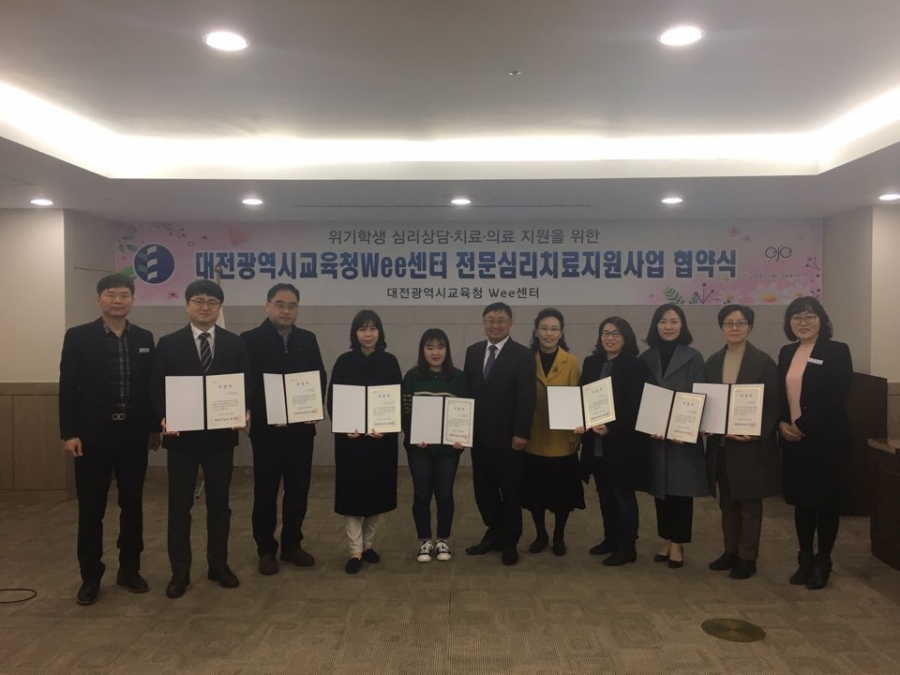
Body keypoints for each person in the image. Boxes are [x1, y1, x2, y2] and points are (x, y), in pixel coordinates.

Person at [58, 274, 160, 605]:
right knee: (92, 509)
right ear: (98, 299)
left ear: (133, 300)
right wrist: (69, 433)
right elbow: (68, 388)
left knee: (132, 506)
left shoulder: (144, 338)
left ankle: (129, 569)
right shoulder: (78, 337)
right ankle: (90, 577)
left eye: (124, 295)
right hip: (92, 437)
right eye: (111, 294)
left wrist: (153, 428)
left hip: (132, 435)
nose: (118, 300)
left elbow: (149, 389)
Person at [151, 279, 251, 599]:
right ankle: (179, 572)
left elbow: (245, 383)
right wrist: (162, 417)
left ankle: (218, 565)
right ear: (187, 306)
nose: (205, 307)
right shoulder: (168, 343)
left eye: (212, 302)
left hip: (221, 438)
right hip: (182, 439)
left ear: (220, 307)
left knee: (219, 506)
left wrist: (244, 411)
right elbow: (156, 386)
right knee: (179, 508)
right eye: (198, 301)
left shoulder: (235, 343)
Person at [241, 283, 327, 576]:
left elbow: (318, 377)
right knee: (265, 492)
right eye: (280, 304)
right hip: (267, 432)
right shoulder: (250, 340)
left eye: (292, 305)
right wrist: (266, 414)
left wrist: (314, 409)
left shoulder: (307, 339)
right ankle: (266, 549)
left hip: (301, 432)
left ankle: (292, 544)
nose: (286, 310)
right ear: (267, 305)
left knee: (298, 490)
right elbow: (247, 384)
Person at [777, 296, 852, 590]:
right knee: (802, 502)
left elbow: (836, 395)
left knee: (826, 503)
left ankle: (823, 562)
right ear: (790, 323)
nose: (803, 322)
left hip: (826, 440)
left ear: (822, 320)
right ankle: (805, 559)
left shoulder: (837, 351)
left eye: (810, 316)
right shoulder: (787, 352)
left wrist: (802, 425)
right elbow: (782, 394)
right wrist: (782, 423)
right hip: (794, 441)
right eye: (797, 317)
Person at [704, 305, 780, 580]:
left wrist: (756, 432)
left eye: (740, 323)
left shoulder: (763, 362)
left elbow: (773, 404)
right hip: (721, 446)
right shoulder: (713, 361)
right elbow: (707, 401)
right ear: (721, 327)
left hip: (749, 445)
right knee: (727, 503)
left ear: (750, 327)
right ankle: (730, 550)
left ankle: (748, 557)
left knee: (749, 504)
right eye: (729, 323)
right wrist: (703, 423)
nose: (734, 328)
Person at [327, 310, 402, 574]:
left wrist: (388, 427)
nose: (368, 334)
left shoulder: (390, 362)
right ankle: (355, 551)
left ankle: (369, 545)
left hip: (381, 442)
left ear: (380, 332)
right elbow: (333, 399)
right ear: (354, 333)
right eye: (362, 329)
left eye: (372, 328)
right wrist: (344, 426)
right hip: (351, 442)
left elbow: (397, 400)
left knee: (376, 495)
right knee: (352, 497)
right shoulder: (344, 362)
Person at [463, 302, 536, 566]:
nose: (495, 325)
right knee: (484, 492)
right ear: (484, 322)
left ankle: (510, 541)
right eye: (490, 320)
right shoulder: (473, 352)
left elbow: (527, 397)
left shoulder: (523, 355)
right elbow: (467, 393)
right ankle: (494, 533)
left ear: (511, 323)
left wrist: (521, 433)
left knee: (510, 492)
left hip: (509, 439)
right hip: (479, 437)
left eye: (501, 320)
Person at [578, 317, 652, 566]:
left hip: (623, 443)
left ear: (626, 337)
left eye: (615, 333)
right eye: (605, 333)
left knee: (623, 495)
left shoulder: (636, 366)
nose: (609, 338)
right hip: (596, 443)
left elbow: (636, 405)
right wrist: (580, 419)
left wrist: (611, 426)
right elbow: (582, 396)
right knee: (604, 494)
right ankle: (610, 538)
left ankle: (627, 546)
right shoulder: (591, 362)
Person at [640, 303, 708, 569]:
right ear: (655, 325)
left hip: (682, 437)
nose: (668, 326)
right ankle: (668, 538)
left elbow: (700, 395)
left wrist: (688, 429)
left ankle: (678, 542)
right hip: (655, 436)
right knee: (661, 491)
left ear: (682, 325)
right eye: (663, 321)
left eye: (674, 321)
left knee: (681, 491)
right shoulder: (646, 357)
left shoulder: (694, 357)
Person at [400, 329, 470, 563]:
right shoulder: (412, 377)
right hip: (419, 449)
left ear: (447, 350)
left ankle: (442, 540)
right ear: (422, 350)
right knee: (421, 494)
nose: (435, 352)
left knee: (445, 494)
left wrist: (462, 437)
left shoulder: (458, 378)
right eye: (430, 347)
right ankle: (424, 541)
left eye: (440, 347)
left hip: (448, 450)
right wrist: (414, 435)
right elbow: (405, 413)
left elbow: (465, 411)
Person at [522, 308, 584, 557]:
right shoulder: (526, 359)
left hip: (562, 440)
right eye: (544, 328)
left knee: (562, 496)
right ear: (536, 331)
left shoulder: (572, 362)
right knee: (534, 494)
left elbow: (577, 401)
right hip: (533, 436)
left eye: (554, 329)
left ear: (561, 333)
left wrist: (575, 438)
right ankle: (541, 534)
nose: (549, 333)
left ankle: (559, 536)